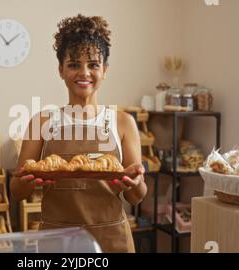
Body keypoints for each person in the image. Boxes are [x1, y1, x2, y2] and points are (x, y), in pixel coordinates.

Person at [11, 14, 147, 253]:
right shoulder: (41, 122)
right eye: (74, 64)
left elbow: (137, 196)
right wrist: (27, 181)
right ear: (61, 70)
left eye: (93, 65)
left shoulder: (123, 123)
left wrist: (133, 183)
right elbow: (17, 191)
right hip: (56, 242)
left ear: (104, 70)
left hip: (111, 241)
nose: (84, 72)